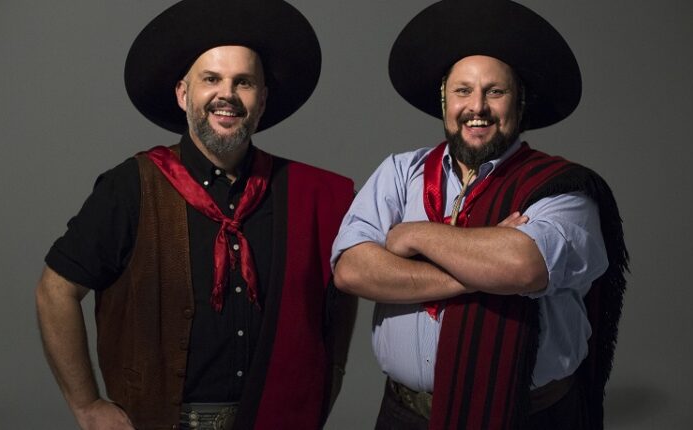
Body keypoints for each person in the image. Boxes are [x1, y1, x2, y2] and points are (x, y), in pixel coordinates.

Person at [35, 0, 357, 428]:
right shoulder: (132, 186)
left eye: (244, 82)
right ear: (183, 94)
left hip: (275, 419)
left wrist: (329, 384)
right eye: (211, 79)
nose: (228, 94)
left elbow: (340, 302)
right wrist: (87, 406)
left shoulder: (305, 193)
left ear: (262, 101)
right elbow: (55, 291)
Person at [331, 1, 628, 429]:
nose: (477, 107)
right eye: (462, 91)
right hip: (405, 415)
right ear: (444, 101)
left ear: (519, 103)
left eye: (495, 92)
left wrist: (414, 234)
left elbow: (523, 266)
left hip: (525, 417)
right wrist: (478, 271)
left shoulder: (563, 188)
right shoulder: (400, 172)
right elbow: (352, 270)